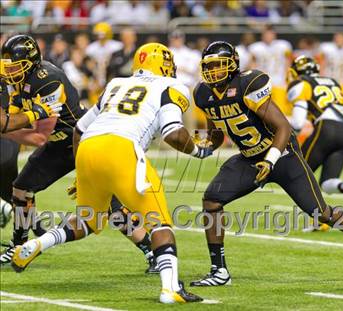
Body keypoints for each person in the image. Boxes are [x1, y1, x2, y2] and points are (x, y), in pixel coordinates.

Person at [12, 42, 211, 303]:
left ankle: (37, 243)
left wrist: (82, 173)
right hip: (122, 147)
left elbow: (80, 129)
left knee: (88, 221)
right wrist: (197, 150)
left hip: (88, 148)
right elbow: (173, 132)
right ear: (163, 65)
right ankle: (170, 288)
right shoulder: (171, 87)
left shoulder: (116, 83)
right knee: (159, 221)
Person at [190, 41, 343, 287]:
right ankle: (219, 272)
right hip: (250, 158)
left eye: (219, 65)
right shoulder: (203, 94)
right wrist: (200, 147)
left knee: (320, 213)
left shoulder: (248, 84)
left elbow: (283, 127)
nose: (213, 71)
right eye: (210, 66)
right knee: (212, 200)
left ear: (233, 65)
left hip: (283, 155)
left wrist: (270, 161)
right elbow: (216, 134)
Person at [0, 34, 84, 264]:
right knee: (20, 189)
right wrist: (27, 115)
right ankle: (19, 246)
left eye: (14, 66)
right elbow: (14, 118)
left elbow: (39, 135)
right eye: (7, 67)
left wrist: (22, 119)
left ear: (31, 61)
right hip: (57, 145)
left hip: (79, 140)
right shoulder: (18, 80)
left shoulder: (48, 79)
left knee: (109, 203)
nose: (9, 72)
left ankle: (152, 250)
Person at [287, 56, 343, 231]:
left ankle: (319, 219)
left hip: (326, 128)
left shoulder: (302, 83)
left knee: (299, 174)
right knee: (327, 183)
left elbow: (298, 124)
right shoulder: (332, 81)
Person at [248, 25, 293, 115]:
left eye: (270, 34)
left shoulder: (284, 45)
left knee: (281, 109)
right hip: (263, 81)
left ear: (274, 34)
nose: (268, 37)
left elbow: (288, 62)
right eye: (266, 34)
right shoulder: (255, 47)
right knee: (264, 109)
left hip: (279, 80)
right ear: (262, 35)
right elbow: (252, 64)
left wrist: (288, 77)